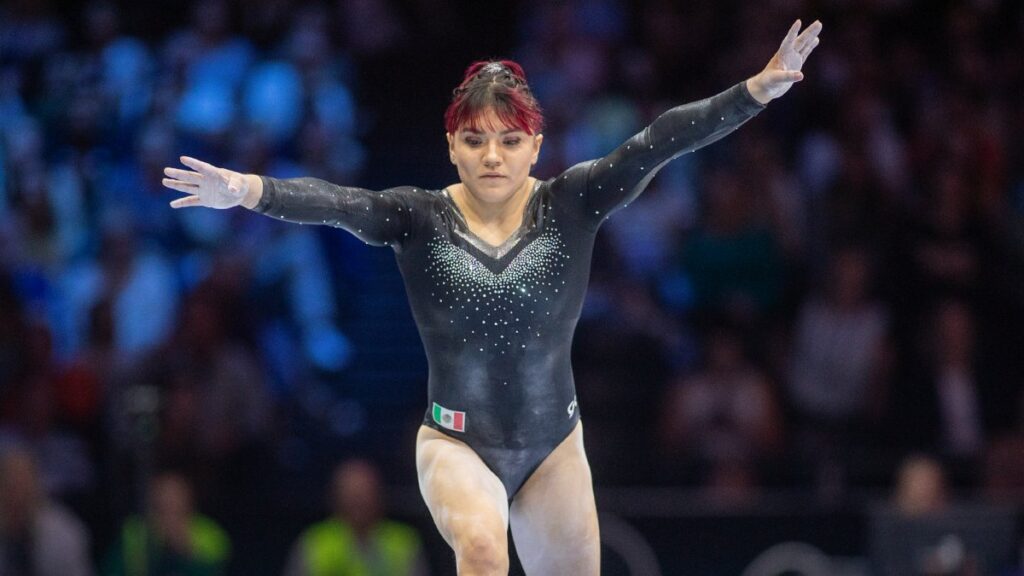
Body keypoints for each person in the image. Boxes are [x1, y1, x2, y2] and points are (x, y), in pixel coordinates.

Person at [162, 19, 822, 576]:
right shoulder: (417, 217)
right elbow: (338, 204)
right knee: (481, 550)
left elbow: (658, 142)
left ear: (535, 145)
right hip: (457, 443)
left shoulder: (574, 201)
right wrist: (246, 189)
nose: (492, 157)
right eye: (475, 140)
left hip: (554, 446)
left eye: (509, 141)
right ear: (452, 146)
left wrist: (755, 92)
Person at [283, 458, 428, 576]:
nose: (358, 502)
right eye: (351, 495)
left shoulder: (404, 541)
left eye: (365, 494)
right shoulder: (315, 542)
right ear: (335, 498)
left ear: (379, 496)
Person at [102, 471, 230, 576]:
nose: (170, 509)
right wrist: (152, 546)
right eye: (163, 506)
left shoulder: (210, 534)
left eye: (176, 503)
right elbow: (111, 570)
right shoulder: (136, 531)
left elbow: (218, 569)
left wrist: (184, 549)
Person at [0, 446, 94, 576]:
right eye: (10, 487)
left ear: (36, 488)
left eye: (23, 486)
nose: (17, 495)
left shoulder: (64, 533)